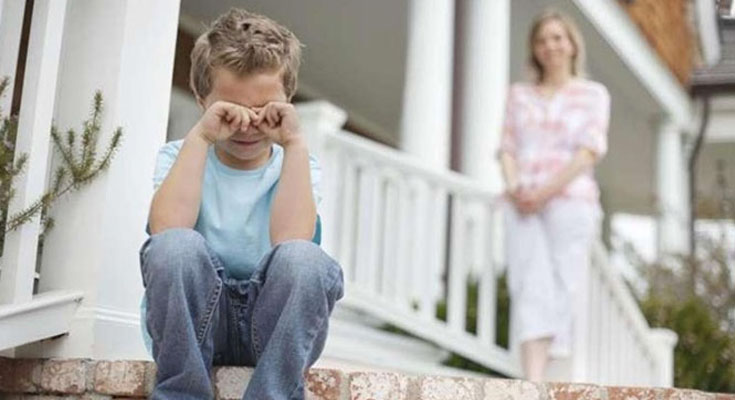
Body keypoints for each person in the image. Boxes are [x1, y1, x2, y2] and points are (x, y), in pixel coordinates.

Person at [138, 8, 344, 399]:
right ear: (201, 100)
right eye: (230, 109)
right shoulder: (179, 155)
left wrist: (295, 143)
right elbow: (166, 237)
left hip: (272, 331)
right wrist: (200, 138)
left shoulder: (300, 165)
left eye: (264, 108)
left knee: (307, 260)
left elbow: (294, 242)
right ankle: (181, 393)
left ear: (287, 100)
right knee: (174, 247)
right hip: (195, 326)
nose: (248, 124)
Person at [498, 10, 610, 381]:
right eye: (543, 39)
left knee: (564, 285)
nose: (551, 46)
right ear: (534, 48)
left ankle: (553, 375)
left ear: (572, 44)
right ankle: (532, 380)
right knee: (528, 282)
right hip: (523, 204)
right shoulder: (519, 95)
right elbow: (508, 148)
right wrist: (517, 188)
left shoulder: (593, 95)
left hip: (570, 201)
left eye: (558, 38)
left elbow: (588, 152)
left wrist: (544, 192)